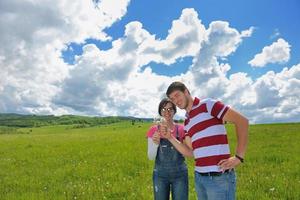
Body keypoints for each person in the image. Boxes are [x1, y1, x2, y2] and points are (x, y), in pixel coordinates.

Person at [161, 81, 248, 200]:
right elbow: (191, 152)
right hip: (200, 178)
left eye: (177, 95)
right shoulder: (187, 122)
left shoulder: (208, 105)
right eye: (172, 99)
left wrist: (239, 156)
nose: (175, 100)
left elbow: (242, 121)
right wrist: (170, 137)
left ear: (186, 91)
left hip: (219, 178)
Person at [146, 98, 189, 200]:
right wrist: (155, 144)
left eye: (170, 109)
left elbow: (189, 152)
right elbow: (151, 157)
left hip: (180, 175)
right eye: (164, 109)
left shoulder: (181, 129)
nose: (167, 112)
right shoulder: (153, 130)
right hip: (160, 175)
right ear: (160, 111)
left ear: (174, 111)